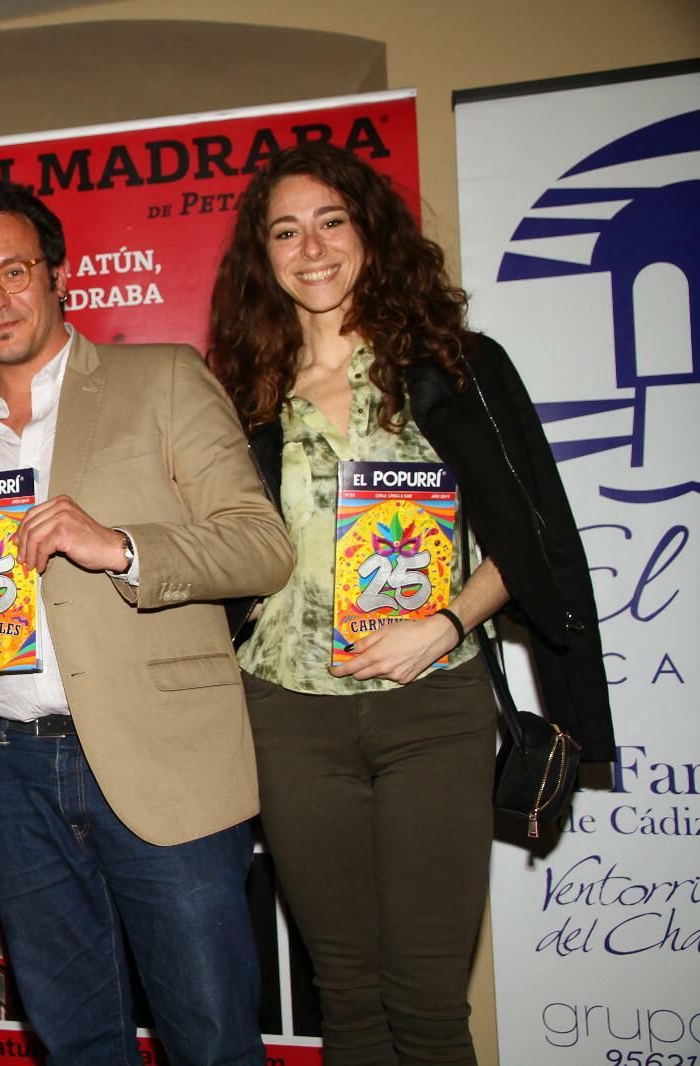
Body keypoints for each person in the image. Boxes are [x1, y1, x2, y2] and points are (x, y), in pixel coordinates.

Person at [208, 141, 615, 1065]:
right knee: (347, 1000)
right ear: (261, 257)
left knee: (429, 1004)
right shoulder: (247, 399)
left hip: (434, 708)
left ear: (370, 231)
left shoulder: (454, 367)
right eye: (284, 231)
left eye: (330, 222)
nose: (310, 248)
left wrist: (446, 623)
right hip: (287, 717)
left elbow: (532, 534)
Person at [0, 179, 294, 1066]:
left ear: (60, 275)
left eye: (13, 271)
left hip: (163, 754)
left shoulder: (162, 378)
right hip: (12, 765)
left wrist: (119, 544)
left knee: (212, 1042)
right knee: (76, 1042)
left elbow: (262, 546)